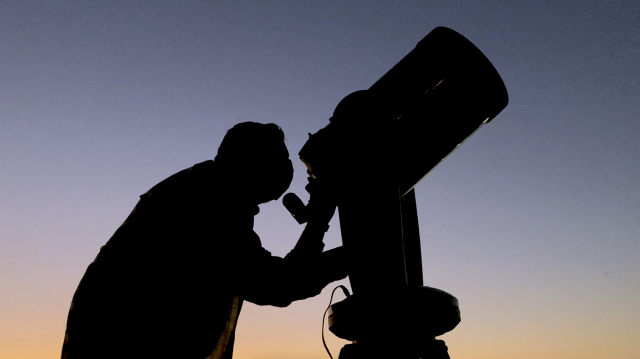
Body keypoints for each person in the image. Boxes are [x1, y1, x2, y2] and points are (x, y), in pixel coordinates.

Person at [61, 122, 347, 359]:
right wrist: (340, 237)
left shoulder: (211, 192)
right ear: (247, 159)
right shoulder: (206, 200)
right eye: (279, 159)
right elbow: (276, 283)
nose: (287, 169)